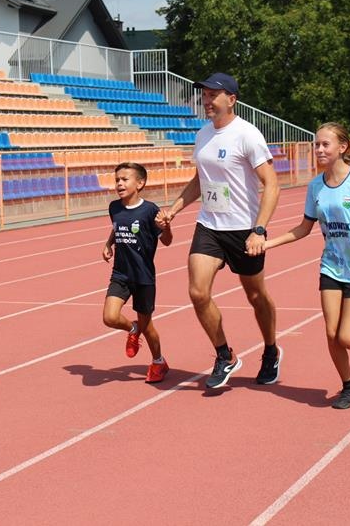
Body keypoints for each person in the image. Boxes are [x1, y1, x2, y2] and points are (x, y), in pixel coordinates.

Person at [156, 72, 282, 389]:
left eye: (213, 95)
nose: (207, 100)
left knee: (256, 295)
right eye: (205, 95)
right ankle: (224, 355)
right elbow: (201, 180)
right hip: (209, 226)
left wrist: (259, 230)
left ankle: (270, 350)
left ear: (232, 99)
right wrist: (174, 209)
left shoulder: (247, 135)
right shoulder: (203, 135)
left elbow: (272, 184)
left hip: (243, 230)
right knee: (198, 292)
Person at [264, 122, 350, 409]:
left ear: (342, 147)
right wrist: (268, 243)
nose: (319, 149)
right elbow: (304, 228)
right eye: (316, 144)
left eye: (325, 144)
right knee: (331, 333)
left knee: (348, 338)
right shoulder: (315, 186)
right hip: (330, 267)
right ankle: (349, 387)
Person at [102, 162, 173, 383]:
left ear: (140, 183)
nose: (119, 184)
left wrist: (167, 227)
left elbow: (167, 241)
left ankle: (159, 361)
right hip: (120, 274)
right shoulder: (114, 207)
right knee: (109, 317)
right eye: (117, 180)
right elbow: (117, 227)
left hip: (143, 277)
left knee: (148, 326)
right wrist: (109, 243)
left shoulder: (150, 211)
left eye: (125, 179)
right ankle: (133, 328)